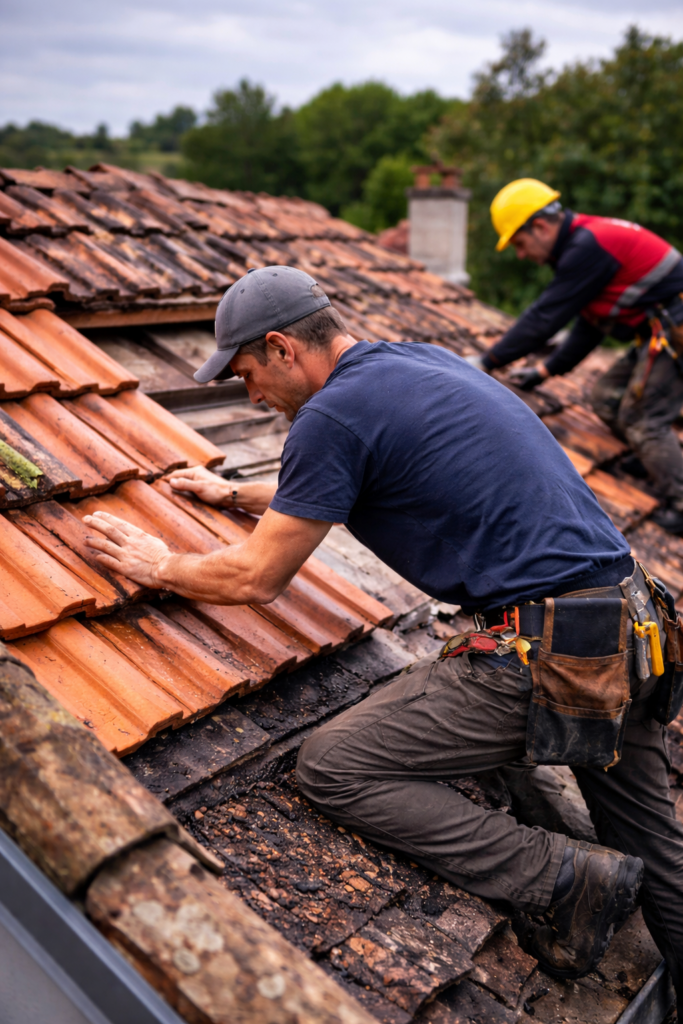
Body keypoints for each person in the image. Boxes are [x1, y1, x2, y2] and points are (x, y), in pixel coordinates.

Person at [82, 266, 683, 1007]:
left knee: (334, 764)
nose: (252, 398)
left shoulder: (331, 417)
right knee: (657, 847)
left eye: (246, 377)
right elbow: (341, 482)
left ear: (279, 347)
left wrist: (159, 563)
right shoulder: (414, 362)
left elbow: (255, 579)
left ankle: (561, 876)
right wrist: (236, 492)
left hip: (554, 650)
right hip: (633, 627)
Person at [471, 178, 683, 534]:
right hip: (657, 331)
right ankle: (653, 457)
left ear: (539, 226)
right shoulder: (586, 244)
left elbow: (545, 317)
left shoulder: (588, 246)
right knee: (605, 398)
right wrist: (544, 371)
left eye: (520, 244)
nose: (522, 255)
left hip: (673, 331)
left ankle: (679, 501)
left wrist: (486, 362)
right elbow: (590, 326)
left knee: (642, 420)